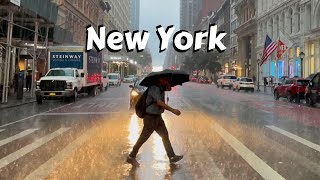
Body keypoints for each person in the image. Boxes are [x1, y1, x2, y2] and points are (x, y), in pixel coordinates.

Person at [127, 76, 183, 164]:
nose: (166, 81)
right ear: (160, 79)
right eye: (165, 79)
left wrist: (168, 83)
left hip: (158, 117)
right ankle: (131, 156)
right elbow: (159, 102)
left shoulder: (160, 87)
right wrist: (173, 110)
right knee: (143, 138)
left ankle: (172, 156)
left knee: (165, 136)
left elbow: (169, 89)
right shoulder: (154, 88)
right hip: (150, 118)